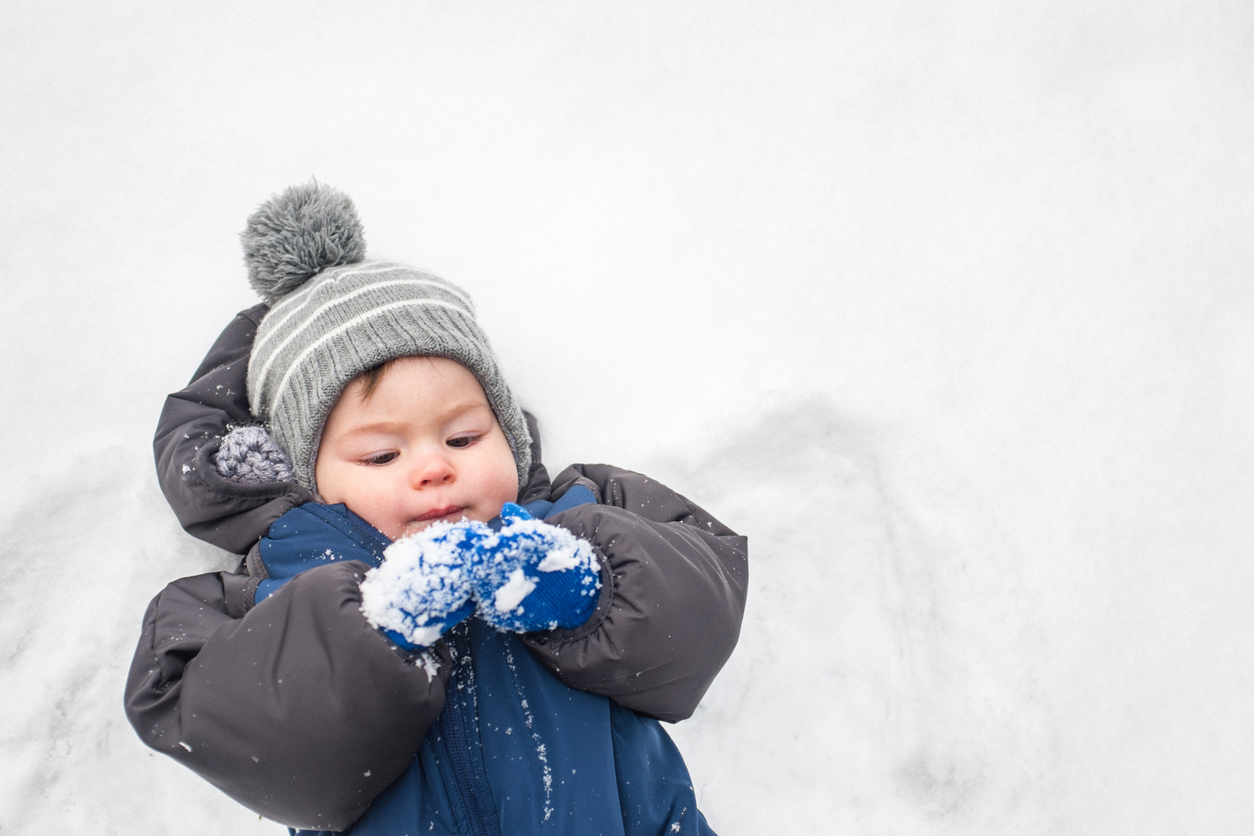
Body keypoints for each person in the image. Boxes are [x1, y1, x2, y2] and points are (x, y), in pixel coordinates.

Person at [124, 182, 748, 836]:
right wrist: (371, 632)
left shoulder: (578, 512)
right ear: (310, 481)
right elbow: (245, 735)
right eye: (380, 457)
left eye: (463, 438)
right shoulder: (275, 592)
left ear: (509, 433)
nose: (433, 466)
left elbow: (704, 600)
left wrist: (593, 589)